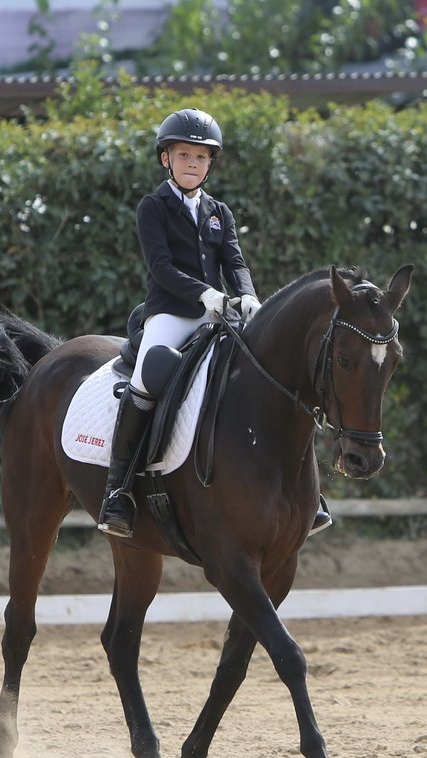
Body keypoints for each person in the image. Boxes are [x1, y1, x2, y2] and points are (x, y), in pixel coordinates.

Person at [97, 107, 333, 539]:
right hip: (171, 312)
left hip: (222, 313)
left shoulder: (218, 211)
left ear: (210, 163)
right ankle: (119, 490)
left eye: (202, 157)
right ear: (166, 158)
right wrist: (205, 294)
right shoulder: (153, 207)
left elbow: (235, 261)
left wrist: (248, 297)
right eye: (184, 155)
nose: (193, 163)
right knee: (148, 378)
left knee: (273, 374)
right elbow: (161, 267)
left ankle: (307, 494)